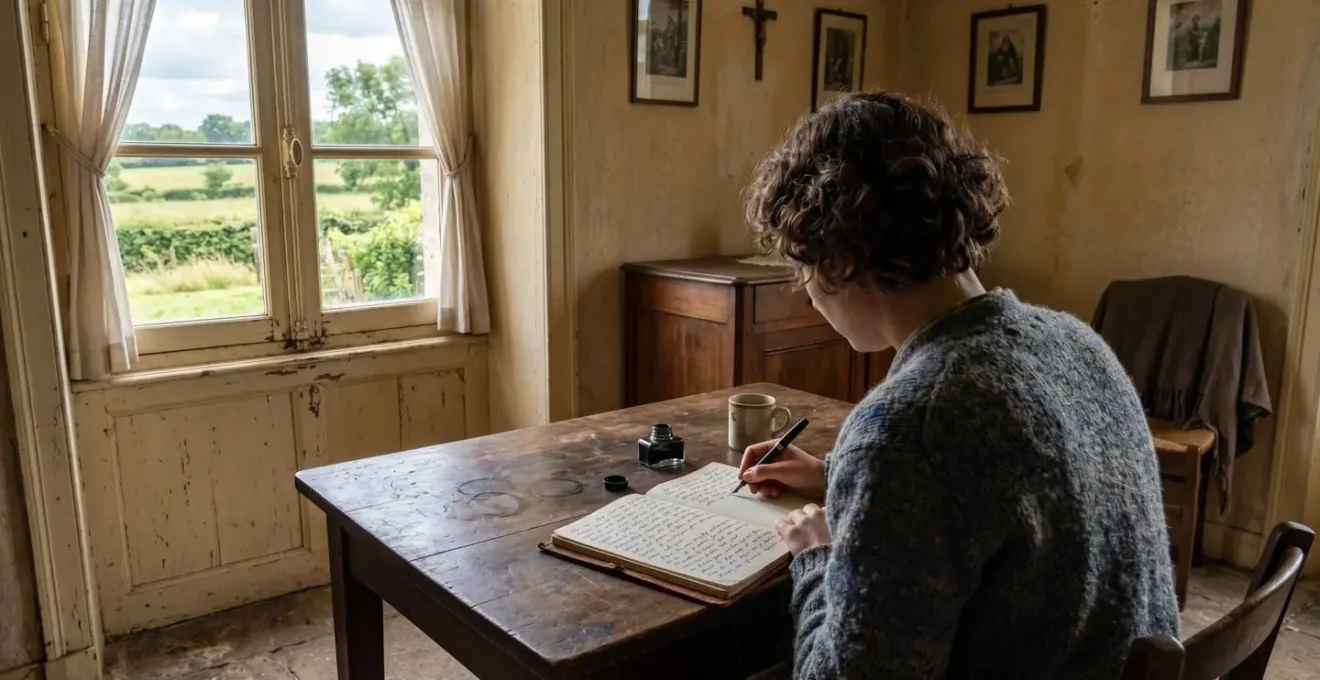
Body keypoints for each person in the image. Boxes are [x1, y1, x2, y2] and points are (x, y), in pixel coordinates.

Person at [739, 91, 1179, 679]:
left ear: (841, 255)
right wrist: (844, 484)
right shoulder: (1076, 342)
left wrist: (818, 556)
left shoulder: (909, 428)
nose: (808, 290)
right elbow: (1011, 493)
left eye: (802, 266)